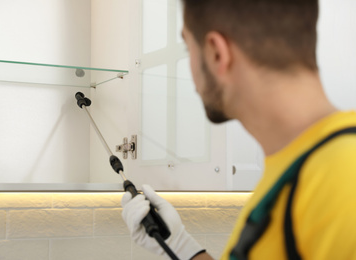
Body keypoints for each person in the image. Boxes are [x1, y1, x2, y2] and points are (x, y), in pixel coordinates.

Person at [121, 0, 356, 259]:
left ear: (217, 54)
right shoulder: (304, 169)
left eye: (189, 49)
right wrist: (181, 246)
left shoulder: (343, 183)